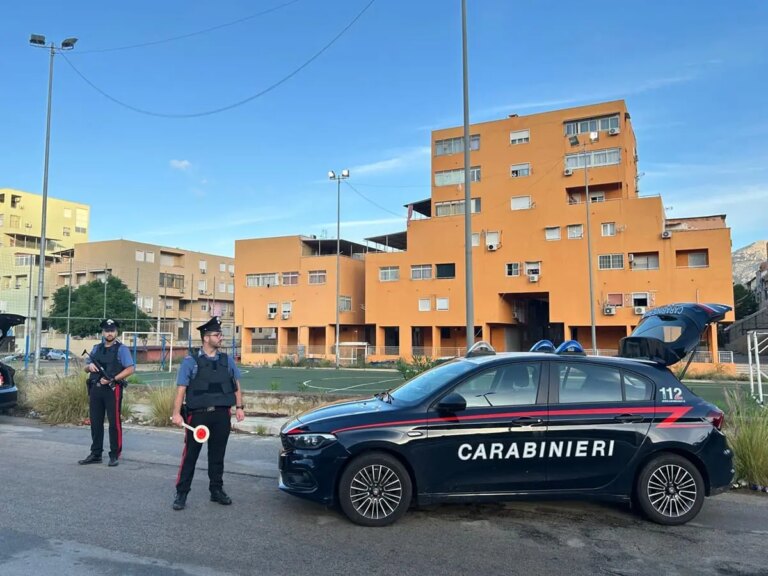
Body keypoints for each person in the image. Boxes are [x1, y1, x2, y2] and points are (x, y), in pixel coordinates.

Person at [171, 316, 245, 510]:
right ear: (206, 338)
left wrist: (239, 407)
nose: (221, 337)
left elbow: (236, 384)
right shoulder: (191, 361)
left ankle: (216, 490)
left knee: (217, 456)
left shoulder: (226, 360)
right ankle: (181, 493)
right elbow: (181, 388)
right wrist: (176, 413)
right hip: (198, 416)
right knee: (190, 456)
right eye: (217, 334)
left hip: (221, 415)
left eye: (220, 334)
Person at [78, 318, 135, 467]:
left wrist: (113, 379)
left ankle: (114, 454)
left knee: (114, 423)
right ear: (102, 332)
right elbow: (85, 368)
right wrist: (89, 367)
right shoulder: (96, 348)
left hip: (112, 390)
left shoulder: (121, 349)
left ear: (116, 332)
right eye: (107, 330)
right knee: (95, 422)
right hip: (95, 389)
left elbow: (130, 368)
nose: (109, 333)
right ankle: (96, 453)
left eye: (112, 330)